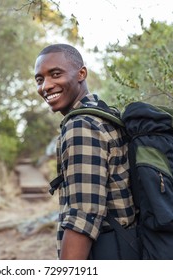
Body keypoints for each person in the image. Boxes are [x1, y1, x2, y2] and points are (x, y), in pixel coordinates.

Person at [34, 44, 136, 260]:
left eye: (55, 74)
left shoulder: (82, 126)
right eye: (40, 79)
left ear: (82, 73)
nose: (46, 86)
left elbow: (84, 216)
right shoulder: (105, 114)